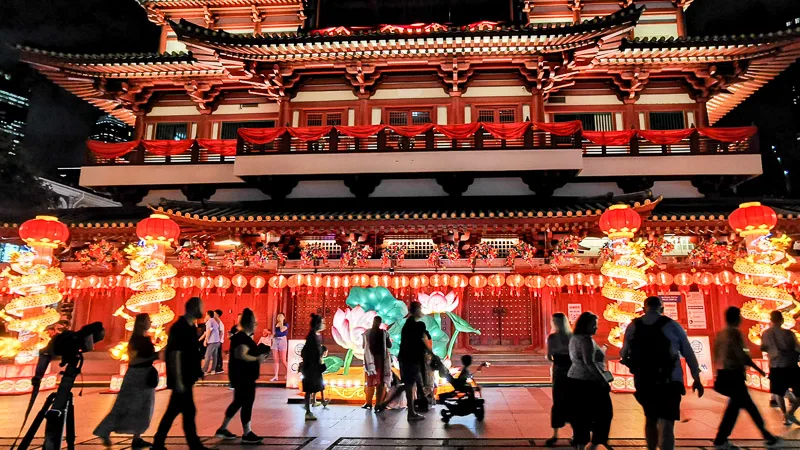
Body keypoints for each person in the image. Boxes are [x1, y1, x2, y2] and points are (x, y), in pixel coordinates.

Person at [621, 296, 704, 450]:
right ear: (663, 309)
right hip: (670, 380)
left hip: (645, 380)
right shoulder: (672, 325)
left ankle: (651, 448)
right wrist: (696, 377)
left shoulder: (633, 326)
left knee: (651, 418)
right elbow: (688, 351)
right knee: (667, 421)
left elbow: (624, 353)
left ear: (644, 309)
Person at [713, 306, 779, 449]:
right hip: (735, 375)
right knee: (746, 407)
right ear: (737, 318)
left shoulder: (721, 334)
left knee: (736, 408)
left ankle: (722, 439)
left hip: (725, 374)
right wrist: (757, 368)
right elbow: (741, 355)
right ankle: (721, 440)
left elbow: (717, 354)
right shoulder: (735, 333)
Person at [94, 314, 158, 448]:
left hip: (143, 374)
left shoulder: (142, 339)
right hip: (138, 375)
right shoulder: (136, 340)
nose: (150, 322)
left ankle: (137, 437)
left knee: (144, 408)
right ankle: (104, 430)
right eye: (148, 321)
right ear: (141, 323)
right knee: (124, 406)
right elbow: (134, 360)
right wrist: (153, 356)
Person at [152, 297, 208, 450]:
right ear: (194, 308)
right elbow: (174, 354)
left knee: (176, 411)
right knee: (187, 412)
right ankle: (194, 445)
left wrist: (197, 370)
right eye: (201, 307)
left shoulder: (190, 327)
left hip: (186, 377)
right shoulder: (180, 327)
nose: (203, 310)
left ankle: (159, 442)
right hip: (181, 378)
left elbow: (190, 352)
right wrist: (178, 380)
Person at [215, 308, 266, 444]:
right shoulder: (241, 337)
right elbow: (241, 354)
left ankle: (223, 428)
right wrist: (257, 358)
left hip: (242, 376)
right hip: (244, 376)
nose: (256, 324)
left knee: (238, 402)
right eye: (254, 322)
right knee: (246, 402)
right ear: (249, 323)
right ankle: (247, 432)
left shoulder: (242, 337)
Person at [568, 312, 613, 450]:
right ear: (586, 325)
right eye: (594, 325)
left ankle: (580, 443)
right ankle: (595, 443)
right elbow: (589, 362)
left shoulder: (574, 338)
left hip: (575, 378)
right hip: (589, 381)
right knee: (605, 413)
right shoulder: (586, 339)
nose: (596, 328)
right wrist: (602, 380)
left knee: (580, 414)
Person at [761, 310, 800, 425]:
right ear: (782, 320)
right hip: (790, 366)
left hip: (775, 367)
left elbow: (763, 348)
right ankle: (791, 412)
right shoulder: (788, 334)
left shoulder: (765, 334)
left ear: (771, 320)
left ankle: (785, 416)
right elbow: (797, 348)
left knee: (778, 393)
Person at [397, 300, 430, 421]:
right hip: (409, 358)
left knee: (409, 384)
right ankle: (411, 412)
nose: (421, 312)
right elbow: (421, 343)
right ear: (415, 310)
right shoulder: (414, 325)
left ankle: (411, 411)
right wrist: (431, 354)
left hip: (409, 358)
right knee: (409, 385)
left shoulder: (410, 324)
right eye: (420, 309)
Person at [546, 312, 573, 447]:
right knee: (573, 400)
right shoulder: (572, 337)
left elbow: (549, 356)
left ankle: (555, 434)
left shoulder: (552, 338)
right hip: (572, 370)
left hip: (558, 370)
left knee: (558, 400)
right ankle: (576, 433)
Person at [363, 316, 392, 410]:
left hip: (375, 360)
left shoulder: (369, 333)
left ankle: (373, 403)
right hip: (376, 360)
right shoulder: (383, 333)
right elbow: (389, 345)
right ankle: (375, 403)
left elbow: (364, 346)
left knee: (373, 382)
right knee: (376, 383)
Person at [301, 313, 325, 421]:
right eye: (322, 322)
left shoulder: (314, 336)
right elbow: (308, 352)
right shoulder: (312, 337)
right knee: (309, 389)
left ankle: (310, 407)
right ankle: (307, 411)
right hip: (311, 367)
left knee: (312, 388)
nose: (324, 324)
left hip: (312, 366)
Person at [200, 310, 221, 375]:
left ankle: (204, 370)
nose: (205, 316)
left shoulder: (209, 321)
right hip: (217, 341)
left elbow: (209, 331)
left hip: (212, 341)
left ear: (208, 315)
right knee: (214, 356)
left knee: (207, 356)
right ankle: (213, 370)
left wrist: (206, 340)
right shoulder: (215, 321)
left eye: (206, 315)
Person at [271, 312, 289, 381]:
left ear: (284, 317)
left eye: (281, 316)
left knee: (283, 359)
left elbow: (282, 329)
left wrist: (281, 321)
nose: (279, 317)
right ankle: (275, 376)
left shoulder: (286, 324)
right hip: (276, 340)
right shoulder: (276, 324)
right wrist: (272, 336)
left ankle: (289, 373)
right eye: (278, 316)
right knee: (275, 359)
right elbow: (276, 332)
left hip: (282, 340)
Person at [215, 309, 225, 374]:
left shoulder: (220, 323)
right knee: (216, 354)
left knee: (218, 354)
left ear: (218, 315)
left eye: (214, 313)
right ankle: (216, 367)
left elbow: (221, 332)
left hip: (218, 341)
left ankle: (219, 368)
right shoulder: (216, 322)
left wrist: (218, 340)